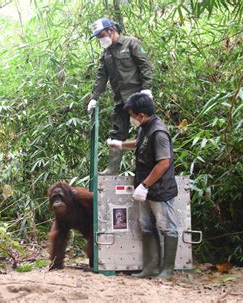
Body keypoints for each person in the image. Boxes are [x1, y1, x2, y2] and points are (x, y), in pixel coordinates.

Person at [106, 92, 178, 279]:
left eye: (131, 115)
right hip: (144, 188)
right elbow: (140, 144)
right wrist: (120, 145)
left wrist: (145, 185)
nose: (131, 119)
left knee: (167, 227)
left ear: (141, 115)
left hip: (159, 189)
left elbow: (163, 163)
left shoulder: (159, 132)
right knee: (146, 226)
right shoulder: (145, 127)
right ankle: (151, 268)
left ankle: (167, 271)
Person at [88, 18, 153, 175]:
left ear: (111, 30)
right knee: (117, 133)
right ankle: (112, 169)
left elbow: (146, 66)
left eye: (101, 34)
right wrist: (94, 97)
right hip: (120, 100)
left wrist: (146, 89)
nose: (100, 39)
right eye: (97, 37)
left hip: (138, 98)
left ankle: (149, 169)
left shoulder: (131, 43)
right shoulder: (106, 53)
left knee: (148, 133)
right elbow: (101, 76)